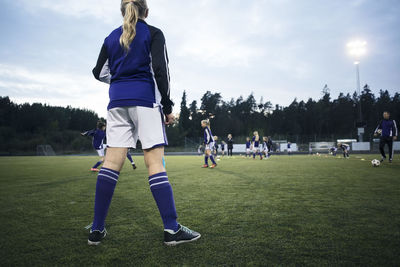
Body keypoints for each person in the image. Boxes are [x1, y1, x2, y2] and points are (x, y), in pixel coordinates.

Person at [88, 0, 200, 246]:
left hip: (116, 102)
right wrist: (168, 108)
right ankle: (171, 229)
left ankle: (96, 229)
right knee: (154, 162)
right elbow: (161, 70)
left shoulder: (110, 37)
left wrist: (120, 80)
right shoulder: (153, 32)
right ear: (146, 12)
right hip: (145, 100)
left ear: (123, 11)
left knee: (111, 163)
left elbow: (98, 71)